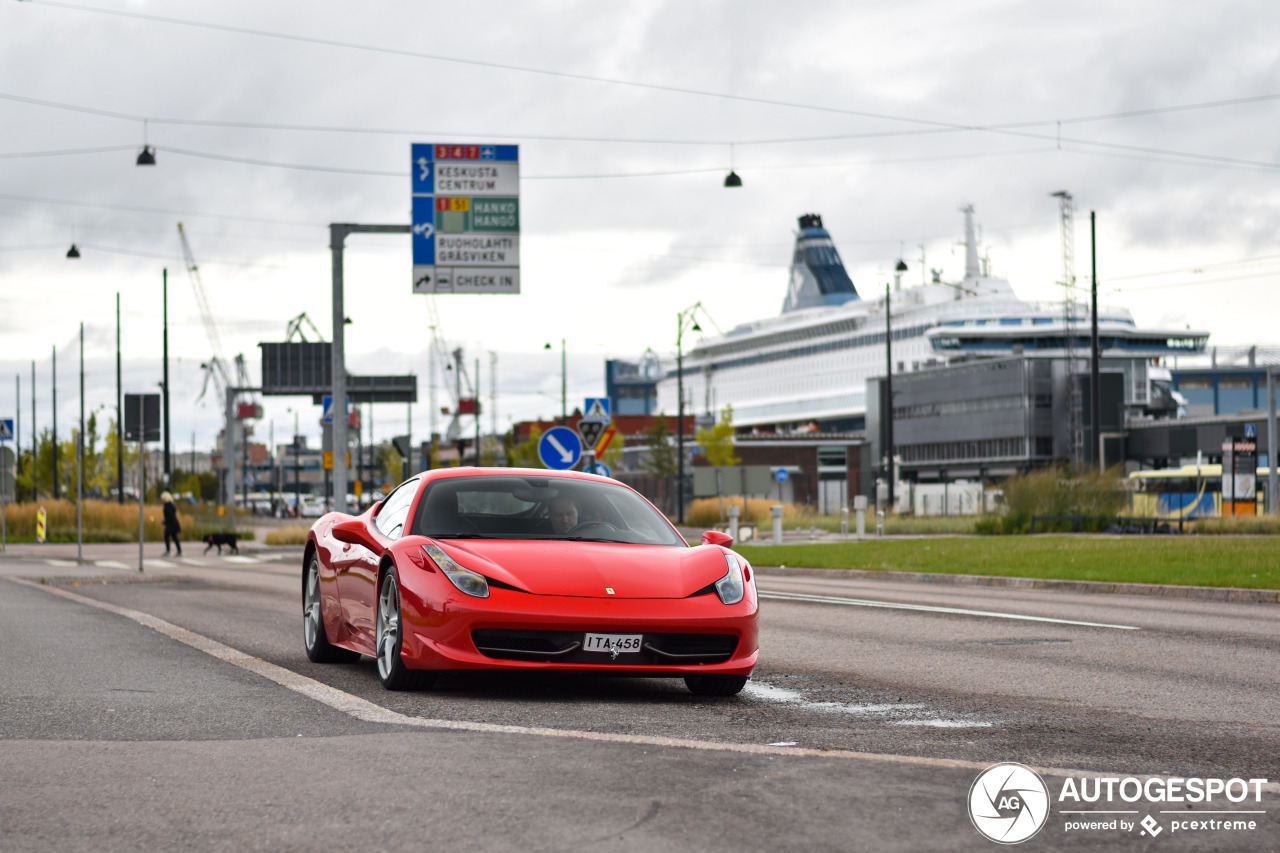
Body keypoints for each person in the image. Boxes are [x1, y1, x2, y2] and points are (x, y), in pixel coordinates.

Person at [161, 492, 182, 556]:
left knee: (168, 536)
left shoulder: (168, 506)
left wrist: (165, 521)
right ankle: (178, 550)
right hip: (172, 524)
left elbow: (170, 516)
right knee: (174, 537)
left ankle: (169, 551)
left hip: (171, 524)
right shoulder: (171, 505)